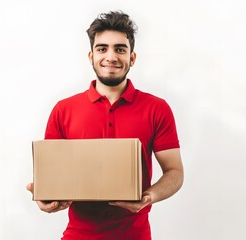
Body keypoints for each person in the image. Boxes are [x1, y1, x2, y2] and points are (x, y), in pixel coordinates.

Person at [27, 10, 184, 239]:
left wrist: (149, 197)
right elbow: (53, 180)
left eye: (120, 49)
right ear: (91, 56)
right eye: (102, 48)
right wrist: (45, 198)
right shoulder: (63, 110)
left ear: (132, 58)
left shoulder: (157, 109)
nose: (111, 56)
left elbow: (175, 171)